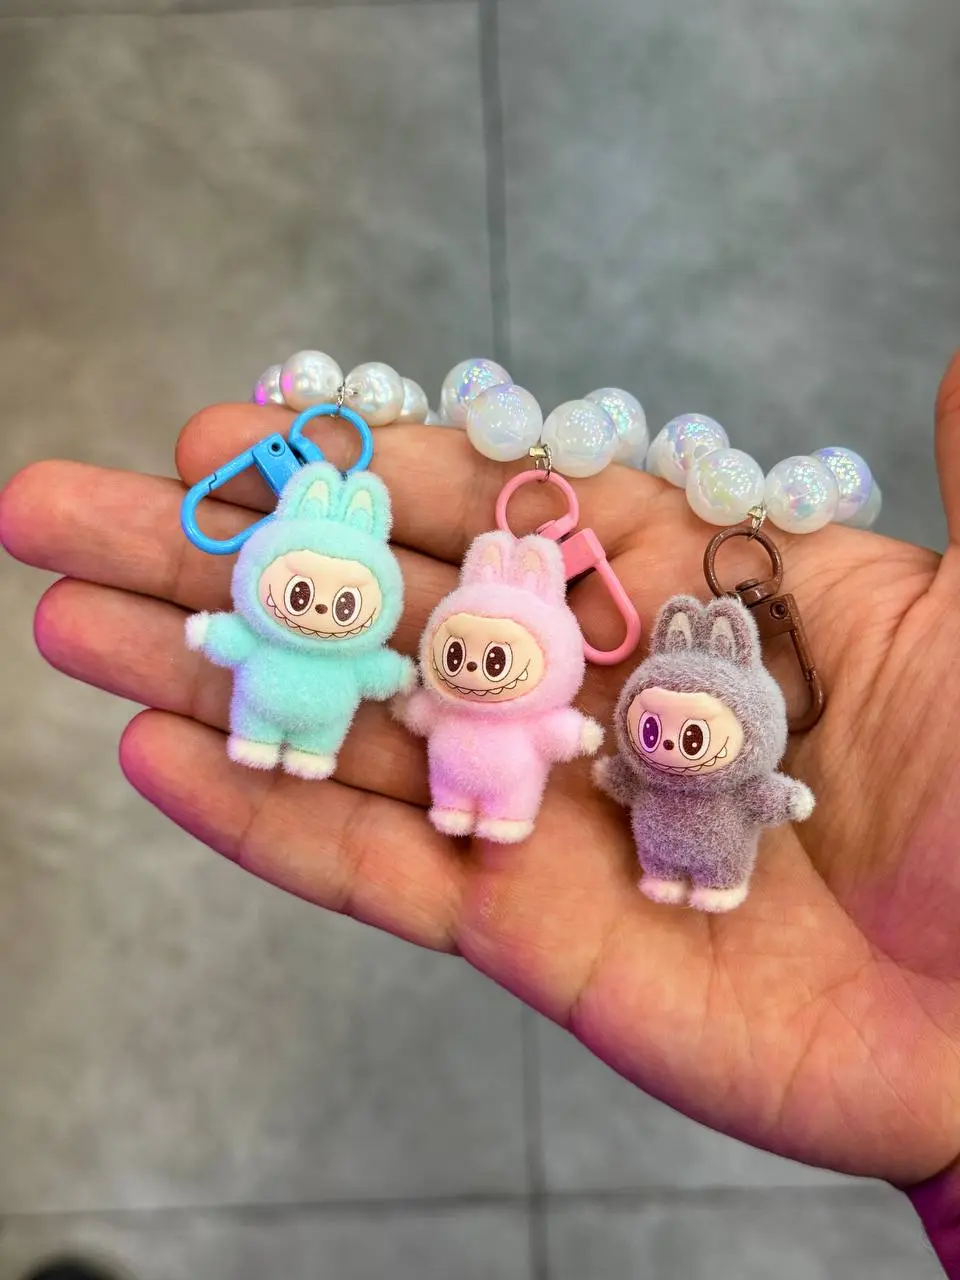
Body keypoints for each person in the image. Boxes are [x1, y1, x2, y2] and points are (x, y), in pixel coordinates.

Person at [2, 351, 960, 1279]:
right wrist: (364, 673)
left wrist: (621, 756)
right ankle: (305, 754)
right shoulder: (439, 656)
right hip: (357, 727)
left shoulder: (619, 709)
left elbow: (630, 757)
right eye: (462, 655)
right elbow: (408, 686)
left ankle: (641, 863)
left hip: (600, 809)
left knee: (603, 826)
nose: (472, 666)